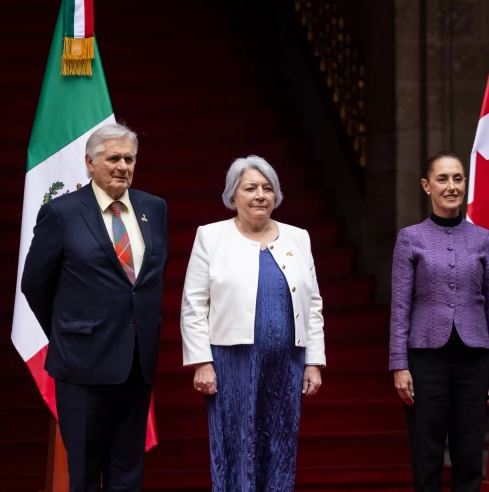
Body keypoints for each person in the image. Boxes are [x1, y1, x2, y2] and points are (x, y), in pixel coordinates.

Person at [21, 123, 168, 492]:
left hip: (136, 365)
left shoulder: (154, 208)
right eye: (113, 158)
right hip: (82, 366)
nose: (123, 166)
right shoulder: (62, 213)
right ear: (90, 162)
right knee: (85, 475)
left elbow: (148, 284)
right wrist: (72, 331)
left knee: (128, 475)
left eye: (129, 159)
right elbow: (35, 285)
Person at [180, 155, 326, 492]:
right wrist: (201, 362)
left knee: (280, 443)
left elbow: (313, 304)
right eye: (250, 188)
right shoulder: (210, 236)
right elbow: (194, 304)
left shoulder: (298, 237)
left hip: (287, 361)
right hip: (231, 361)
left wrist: (314, 362)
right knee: (236, 444)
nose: (260, 195)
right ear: (233, 196)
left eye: (267, 188)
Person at [389, 151, 489, 492]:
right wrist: (399, 364)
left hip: (474, 360)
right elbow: (400, 306)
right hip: (425, 360)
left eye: (457, 178)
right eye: (442, 179)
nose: (451, 186)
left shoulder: (483, 238)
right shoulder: (410, 237)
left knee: (469, 455)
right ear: (427, 185)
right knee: (426, 453)